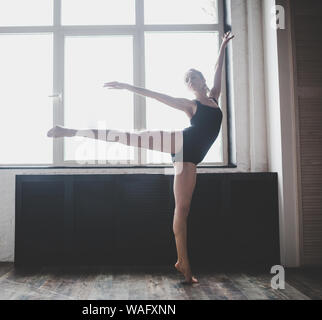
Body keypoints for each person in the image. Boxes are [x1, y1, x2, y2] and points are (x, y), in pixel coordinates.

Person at [47, 31, 235, 284]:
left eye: (193, 78)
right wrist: (127, 86)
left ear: (202, 80)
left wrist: (222, 46)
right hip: (181, 143)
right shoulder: (190, 105)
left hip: (191, 160)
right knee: (128, 137)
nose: (191, 82)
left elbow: (217, 69)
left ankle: (181, 262)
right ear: (189, 87)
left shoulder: (214, 96)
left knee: (183, 209)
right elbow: (157, 95)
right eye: (188, 81)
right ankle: (68, 131)